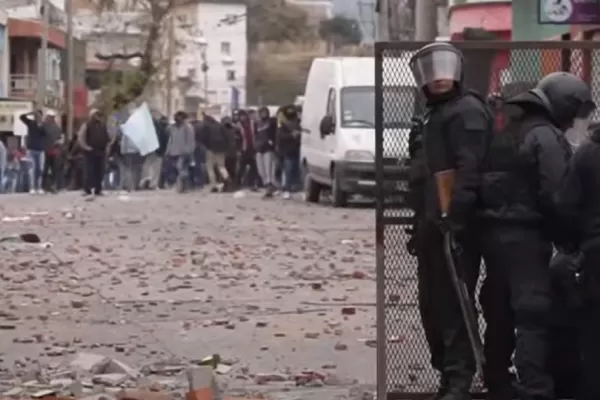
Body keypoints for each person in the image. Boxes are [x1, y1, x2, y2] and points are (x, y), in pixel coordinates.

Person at [477, 72, 593, 400]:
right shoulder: (545, 137)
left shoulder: (506, 132)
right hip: (527, 237)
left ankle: (498, 382)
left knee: (499, 311)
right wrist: (568, 240)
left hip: (493, 235)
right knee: (532, 314)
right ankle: (535, 388)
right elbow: (559, 195)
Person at [406, 42, 493, 400]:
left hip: (456, 224)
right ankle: (446, 372)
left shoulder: (467, 111)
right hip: (432, 222)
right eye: (432, 70)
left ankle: (459, 378)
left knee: (454, 301)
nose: (439, 77)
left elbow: (469, 170)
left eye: (444, 68)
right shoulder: (433, 114)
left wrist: (455, 216)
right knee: (433, 303)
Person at [553, 82, 599, 400]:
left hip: (595, 256)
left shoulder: (587, 155)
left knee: (593, 340)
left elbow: (566, 209)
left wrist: (570, 249)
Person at [77, 109, 111, 196]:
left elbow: (107, 138)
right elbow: (81, 137)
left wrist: (106, 148)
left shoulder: (103, 125)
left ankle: (98, 189)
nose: (97, 117)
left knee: (100, 171)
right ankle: (87, 189)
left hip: (101, 151)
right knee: (89, 171)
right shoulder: (87, 125)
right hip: (90, 152)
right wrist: (86, 147)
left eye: (98, 115)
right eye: (96, 115)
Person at [165, 111, 195, 193]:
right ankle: (183, 186)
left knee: (181, 168)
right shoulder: (172, 128)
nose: (177, 119)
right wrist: (168, 151)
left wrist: (189, 151)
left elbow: (190, 140)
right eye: (176, 117)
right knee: (179, 169)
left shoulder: (188, 127)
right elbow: (171, 140)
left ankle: (183, 187)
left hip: (184, 152)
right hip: (174, 152)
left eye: (180, 117)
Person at [201, 112, 231, 192]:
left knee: (210, 168)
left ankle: (213, 185)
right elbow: (227, 137)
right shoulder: (220, 125)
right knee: (221, 166)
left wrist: (207, 146)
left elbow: (204, 138)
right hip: (221, 149)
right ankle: (226, 177)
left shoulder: (206, 126)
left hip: (210, 149)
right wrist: (226, 148)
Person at [277, 105, 302, 199]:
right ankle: (286, 189)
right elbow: (280, 136)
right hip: (287, 151)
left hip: (297, 150)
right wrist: (292, 135)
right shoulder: (282, 124)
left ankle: (295, 189)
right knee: (288, 170)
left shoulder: (299, 123)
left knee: (297, 171)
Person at [20, 109, 46, 194]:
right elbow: (21, 117)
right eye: (36, 116)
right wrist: (30, 113)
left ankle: (39, 187)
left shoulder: (44, 125)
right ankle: (32, 187)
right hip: (31, 150)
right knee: (32, 169)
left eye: (38, 115)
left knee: (40, 169)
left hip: (41, 150)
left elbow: (47, 135)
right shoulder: (31, 123)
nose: (37, 117)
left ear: (41, 116)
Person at [255, 107, 278, 197]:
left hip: (268, 148)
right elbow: (256, 135)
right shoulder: (259, 124)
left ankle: (270, 187)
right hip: (259, 148)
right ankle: (266, 184)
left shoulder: (272, 122)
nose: (263, 114)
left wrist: (273, 143)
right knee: (261, 170)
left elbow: (275, 134)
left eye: (264, 112)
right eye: (261, 112)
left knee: (269, 168)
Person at [41, 111, 64, 193]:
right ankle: (43, 186)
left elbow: (61, 138)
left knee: (55, 169)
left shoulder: (57, 128)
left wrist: (59, 142)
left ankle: (53, 186)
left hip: (54, 151)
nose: (51, 119)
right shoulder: (43, 127)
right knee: (44, 169)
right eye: (50, 117)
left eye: (52, 117)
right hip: (45, 150)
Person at [236, 110, 259, 190]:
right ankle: (238, 183)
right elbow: (237, 139)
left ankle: (251, 183)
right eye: (241, 116)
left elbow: (256, 134)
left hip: (252, 148)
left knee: (254, 167)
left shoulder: (252, 123)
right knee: (241, 167)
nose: (243, 117)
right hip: (244, 149)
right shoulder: (238, 125)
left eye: (244, 115)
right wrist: (239, 149)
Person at [222, 116, 242, 188]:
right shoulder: (235, 129)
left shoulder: (223, 129)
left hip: (229, 153)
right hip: (230, 152)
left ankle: (228, 184)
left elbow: (239, 140)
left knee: (227, 170)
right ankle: (231, 185)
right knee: (231, 170)